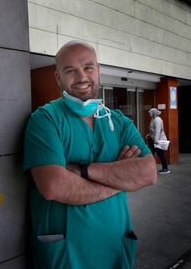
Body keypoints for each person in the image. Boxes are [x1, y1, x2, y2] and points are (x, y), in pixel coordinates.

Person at [23, 40, 157, 269]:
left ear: (98, 70)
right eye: (70, 70)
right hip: (67, 253)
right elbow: (54, 186)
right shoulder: (45, 120)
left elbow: (148, 172)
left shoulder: (119, 122)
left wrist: (83, 170)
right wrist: (120, 180)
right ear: (58, 78)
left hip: (115, 248)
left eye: (87, 67)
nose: (81, 76)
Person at [147, 108, 170, 174]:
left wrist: (156, 141)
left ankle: (165, 168)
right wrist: (150, 135)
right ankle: (151, 169)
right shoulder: (153, 119)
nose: (149, 114)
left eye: (150, 113)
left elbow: (158, 131)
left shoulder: (157, 120)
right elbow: (153, 130)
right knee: (151, 154)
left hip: (157, 140)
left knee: (161, 154)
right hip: (153, 139)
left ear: (153, 113)